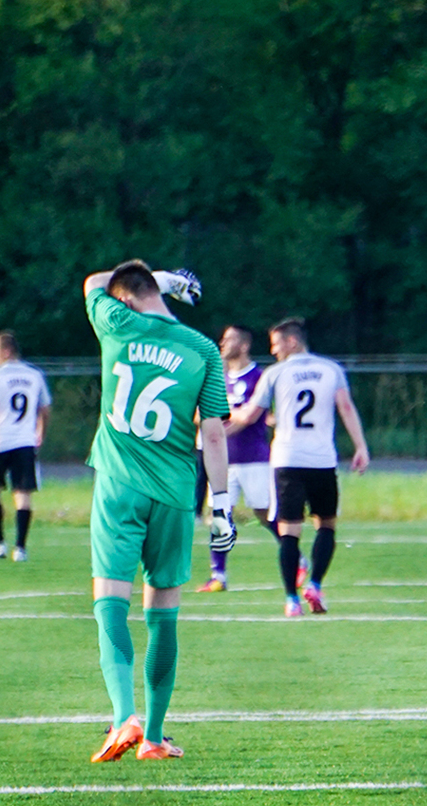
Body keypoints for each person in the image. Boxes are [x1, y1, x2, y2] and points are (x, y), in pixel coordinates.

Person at [83, 262, 235, 763]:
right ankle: (153, 736)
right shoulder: (203, 348)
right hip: (173, 493)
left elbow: (94, 283)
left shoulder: (117, 322)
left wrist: (165, 276)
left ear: (125, 299)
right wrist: (222, 508)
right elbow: (211, 434)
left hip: (118, 485)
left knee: (110, 601)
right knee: (163, 616)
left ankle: (123, 713)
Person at [227, 318, 370, 617]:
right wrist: (360, 447)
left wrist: (221, 416)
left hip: (288, 460)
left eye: (276, 344)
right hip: (322, 460)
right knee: (326, 525)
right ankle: (315, 583)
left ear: (292, 342)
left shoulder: (276, 373)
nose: (274, 351)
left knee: (289, 531)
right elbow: (345, 407)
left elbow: (250, 415)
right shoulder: (331, 369)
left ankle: (292, 600)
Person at [198, 325, 277, 592]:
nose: (222, 343)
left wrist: (224, 422)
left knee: (264, 514)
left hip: (253, 458)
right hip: (223, 460)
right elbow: (198, 415)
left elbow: (251, 416)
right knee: (220, 512)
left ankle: (297, 558)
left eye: (229, 339)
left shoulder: (258, 377)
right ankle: (218, 575)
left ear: (243, 345)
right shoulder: (216, 378)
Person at [0, 331, 52, 562]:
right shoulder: (35, 374)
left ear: (7, 351)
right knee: (23, 493)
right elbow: (45, 409)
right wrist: (40, 433)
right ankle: (21, 548)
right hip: (25, 441)